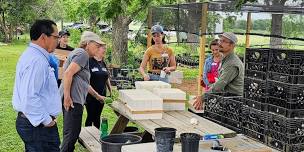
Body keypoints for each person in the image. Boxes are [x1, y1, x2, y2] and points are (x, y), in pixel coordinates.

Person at [12, 19, 61, 151]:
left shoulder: (34, 55)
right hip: (38, 127)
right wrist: (47, 121)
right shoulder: (37, 61)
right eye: (56, 37)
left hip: (35, 124)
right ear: (44, 37)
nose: (58, 41)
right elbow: (30, 97)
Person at [60, 31, 106, 152]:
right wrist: (67, 97)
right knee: (71, 135)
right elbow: (68, 73)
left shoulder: (80, 54)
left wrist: (98, 96)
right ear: (87, 43)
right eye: (96, 45)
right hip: (73, 100)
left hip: (73, 98)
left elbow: (84, 84)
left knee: (70, 133)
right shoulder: (82, 54)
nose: (99, 48)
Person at [193, 32, 244, 110]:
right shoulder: (225, 59)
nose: (220, 43)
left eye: (224, 41)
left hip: (234, 102)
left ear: (232, 45)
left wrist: (203, 97)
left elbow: (220, 85)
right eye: (220, 40)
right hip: (226, 98)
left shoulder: (232, 63)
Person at [85, 42, 112, 129]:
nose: (105, 50)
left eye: (105, 48)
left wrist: (110, 89)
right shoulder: (89, 61)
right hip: (91, 95)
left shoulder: (103, 63)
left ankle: (96, 135)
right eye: (103, 48)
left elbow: (106, 76)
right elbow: (86, 79)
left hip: (102, 95)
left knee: (97, 116)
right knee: (90, 116)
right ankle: (87, 135)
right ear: (97, 49)